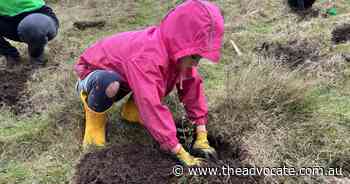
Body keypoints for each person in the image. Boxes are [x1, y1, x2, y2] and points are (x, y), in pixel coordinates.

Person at [74, 0, 224, 166]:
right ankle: (95, 118)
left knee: (164, 79)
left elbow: (192, 89)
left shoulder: (179, 52)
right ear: (182, 42)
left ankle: (131, 112)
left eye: (199, 58)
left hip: (126, 75)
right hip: (92, 73)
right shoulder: (147, 57)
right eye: (194, 57)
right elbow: (150, 103)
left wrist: (201, 134)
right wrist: (178, 151)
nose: (196, 63)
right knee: (110, 84)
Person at [0, 0, 59, 66]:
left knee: (32, 26)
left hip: (38, 15)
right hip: (9, 22)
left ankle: (37, 57)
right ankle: (10, 54)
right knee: (29, 26)